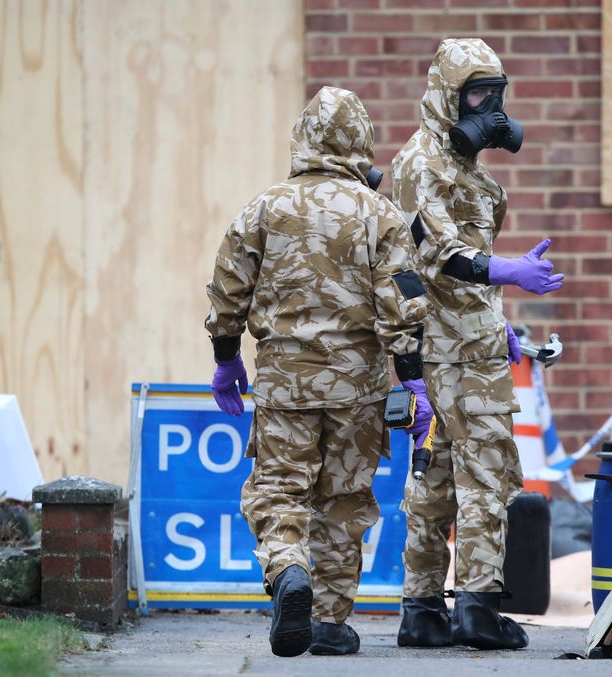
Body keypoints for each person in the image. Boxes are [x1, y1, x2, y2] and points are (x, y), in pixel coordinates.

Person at [204, 86, 431, 658]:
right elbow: (402, 302)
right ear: (361, 142)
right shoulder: (379, 213)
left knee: (280, 490)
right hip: (357, 388)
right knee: (344, 500)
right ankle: (330, 622)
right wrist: (415, 380)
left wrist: (226, 357)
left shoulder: (264, 208)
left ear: (302, 137)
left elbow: (228, 290)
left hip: (284, 382)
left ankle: (287, 570)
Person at [391, 38, 564, 651]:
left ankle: (422, 610)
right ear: (446, 95)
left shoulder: (468, 172)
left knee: (437, 481)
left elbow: (467, 279)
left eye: (496, 94)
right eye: (476, 95)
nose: (489, 108)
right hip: (447, 353)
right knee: (487, 476)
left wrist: (499, 320)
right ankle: (478, 609)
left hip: (467, 344)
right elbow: (431, 259)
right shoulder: (420, 164)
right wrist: (509, 272)